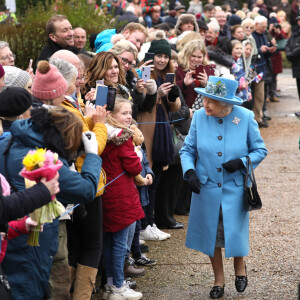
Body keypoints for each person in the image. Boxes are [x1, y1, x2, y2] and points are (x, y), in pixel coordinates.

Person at [0, 106, 102, 300]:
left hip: (9, 231)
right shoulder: (45, 160)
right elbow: (86, 190)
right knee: (29, 290)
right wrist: (92, 155)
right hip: (32, 240)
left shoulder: (8, 140)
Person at [180, 76, 267, 299]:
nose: (204, 104)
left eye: (210, 100)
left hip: (235, 188)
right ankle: (219, 279)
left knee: (233, 232)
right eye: (205, 98)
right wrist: (189, 171)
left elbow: (260, 150)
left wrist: (242, 162)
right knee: (212, 235)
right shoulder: (199, 117)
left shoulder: (245, 117)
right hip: (205, 187)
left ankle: (240, 266)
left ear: (226, 104)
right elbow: (187, 150)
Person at [100, 97, 144, 300]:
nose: (129, 117)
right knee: (119, 244)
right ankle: (118, 285)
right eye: (124, 113)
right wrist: (137, 154)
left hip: (108, 195)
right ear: (111, 115)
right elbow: (134, 167)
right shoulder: (123, 137)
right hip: (122, 196)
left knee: (110, 242)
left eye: (130, 113)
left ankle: (110, 282)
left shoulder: (102, 134)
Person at [137, 38, 181, 236]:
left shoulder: (167, 75)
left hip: (163, 131)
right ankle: (144, 224)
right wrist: (158, 95)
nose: (162, 60)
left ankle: (151, 222)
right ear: (151, 56)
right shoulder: (145, 73)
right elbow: (142, 104)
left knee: (157, 178)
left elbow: (175, 107)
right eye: (159, 56)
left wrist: (172, 95)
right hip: (148, 132)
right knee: (148, 179)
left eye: (165, 56)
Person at [109, 40, 157, 120]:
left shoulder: (131, 78)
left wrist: (150, 92)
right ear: (113, 55)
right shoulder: (104, 75)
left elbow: (142, 107)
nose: (127, 66)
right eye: (124, 60)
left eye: (130, 63)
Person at [176, 39, 209, 110]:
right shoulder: (178, 69)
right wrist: (183, 84)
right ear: (187, 55)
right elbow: (172, 91)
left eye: (199, 57)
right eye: (193, 56)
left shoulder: (207, 70)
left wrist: (206, 84)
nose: (196, 60)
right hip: (183, 113)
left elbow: (213, 94)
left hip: (201, 112)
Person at [286, 15, 300, 100]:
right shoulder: (295, 31)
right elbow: (288, 43)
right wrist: (288, 52)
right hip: (296, 65)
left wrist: (291, 54)